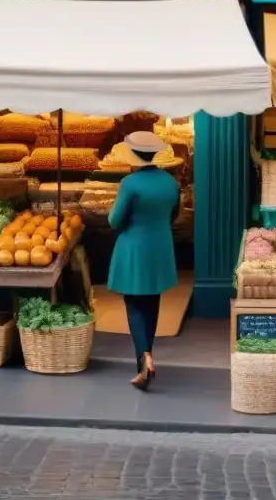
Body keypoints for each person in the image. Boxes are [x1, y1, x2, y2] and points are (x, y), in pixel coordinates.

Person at [106, 131, 180, 390]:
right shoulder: (170, 182)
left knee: (134, 304)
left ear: (133, 155)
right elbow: (175, 214)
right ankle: (147, 354)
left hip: (134, 248)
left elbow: (114, 221)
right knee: (152, 302)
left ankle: (144, 360)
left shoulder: (130, 183)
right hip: (160, 246)